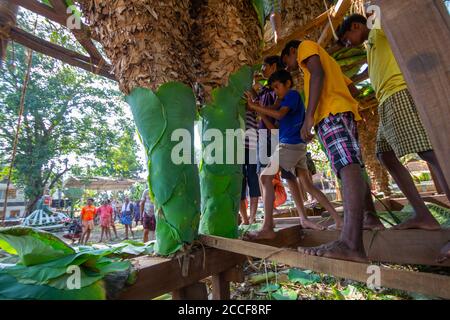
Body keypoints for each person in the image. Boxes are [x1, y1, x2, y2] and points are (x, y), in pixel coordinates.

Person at [337, 14, 449, 230]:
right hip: (386, 101)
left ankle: (424, 215)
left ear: (357, 25)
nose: (347, 43)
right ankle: (423, 214)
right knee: (385, 154)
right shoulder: (370, 45)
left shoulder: (377, 28)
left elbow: (382, 10)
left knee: (430, 153)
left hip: (397, 93)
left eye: (347, 37)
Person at [283, 39, 381, 262]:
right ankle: (371, 217)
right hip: (344, 112)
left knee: (346, 167)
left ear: (291, 51)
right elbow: (352, 88)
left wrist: (309, 117)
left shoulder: (305, 47)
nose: (290, 66)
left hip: (329, 114)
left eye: (287, 60)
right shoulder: (331, 62)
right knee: (354, 166)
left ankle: (350, 243)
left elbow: (317, 75)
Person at [245, 69, 343, 240]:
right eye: (273, 89)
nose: (276, 92)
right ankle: (335, 220)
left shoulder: (292, 95)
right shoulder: (285, 103)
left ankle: (267, 227)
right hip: (296, 146)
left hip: (290, 146)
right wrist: (260, 112)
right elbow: (275, 128)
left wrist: (254, 106)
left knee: (265, 177)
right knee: (307, 185)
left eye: (277, 87)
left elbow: (279, 113)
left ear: (287, 83)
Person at [239, 86, 261, 226]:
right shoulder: (238, 112)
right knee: (240, 183)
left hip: (253, 149)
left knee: (253, 181)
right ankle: (245, 219)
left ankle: (252, 217)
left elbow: (257, 101)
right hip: (238, 149)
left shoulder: (255, 112)